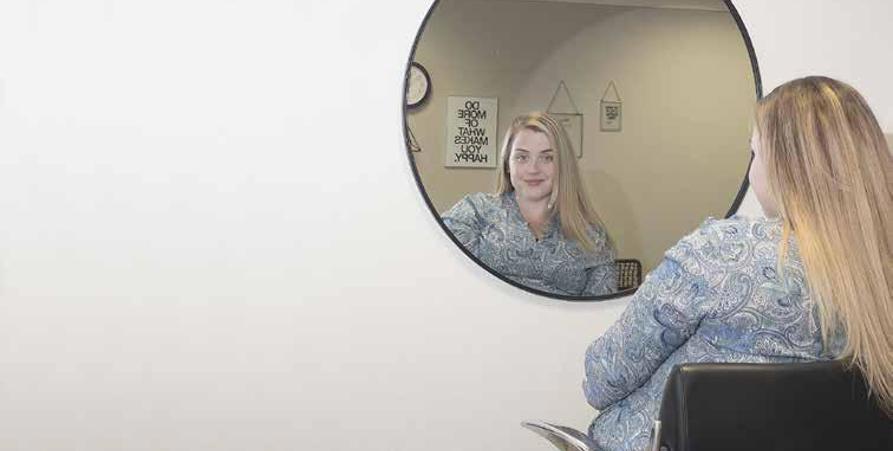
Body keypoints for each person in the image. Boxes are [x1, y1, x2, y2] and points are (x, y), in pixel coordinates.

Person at [582, 76, 893, 451]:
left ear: (784, 165)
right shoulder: (879, 273)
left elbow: (602, 379)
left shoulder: (720, 253)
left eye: (754, 153)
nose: (752, 170)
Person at [442, 112, 617, 296]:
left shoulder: (592, 237)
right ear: (507, 164)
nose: (533, 169)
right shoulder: (473, 213)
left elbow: (601, 309)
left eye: (547, 158)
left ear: (563, 166)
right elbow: (440, 274)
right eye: (522, 157)